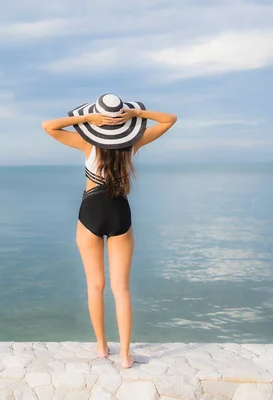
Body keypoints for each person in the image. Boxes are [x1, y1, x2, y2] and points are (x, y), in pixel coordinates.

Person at [41, 94, 177, 369]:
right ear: (123, 125)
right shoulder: (132, 145)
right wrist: (135, 115)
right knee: (121, 288)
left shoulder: (85, 143)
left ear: (98, 123)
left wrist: (86, 119)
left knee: (95, 285)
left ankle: (102, 346)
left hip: (90, 211)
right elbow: (169, 119)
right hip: (120, 213)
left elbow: (49, 126)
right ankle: (126, 355)